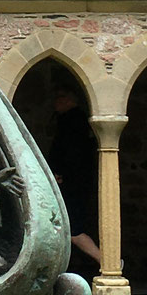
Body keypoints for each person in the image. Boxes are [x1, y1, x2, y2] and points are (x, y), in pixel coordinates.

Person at [47, 86, 102, 276]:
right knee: (69, 229)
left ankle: (109, 263)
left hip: (71, 184)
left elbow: (72, 153)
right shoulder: (69, 121)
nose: (56, 101)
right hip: (71, 182)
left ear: (71, 100)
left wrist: (60, 172)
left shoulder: (73, 122)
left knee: (73, 230)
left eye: (61, 96)